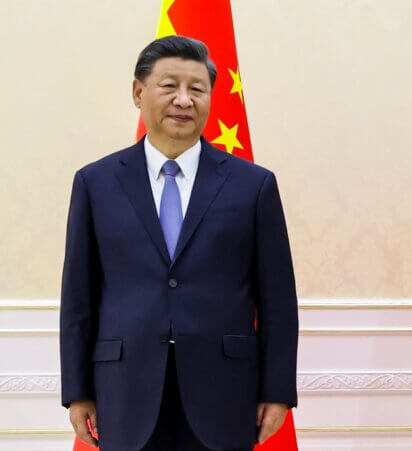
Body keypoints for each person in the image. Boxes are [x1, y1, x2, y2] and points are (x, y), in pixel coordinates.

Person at [60, 36, 298, 451]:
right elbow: (78, 296)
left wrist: (277, 391)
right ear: (138, 92)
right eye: (169, 86)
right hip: (124, 389)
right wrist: (77, 390)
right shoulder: (95, 183)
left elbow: (278, 299)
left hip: (224, 390)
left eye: (197, 89)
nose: (184, 100)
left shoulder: (253, 185)